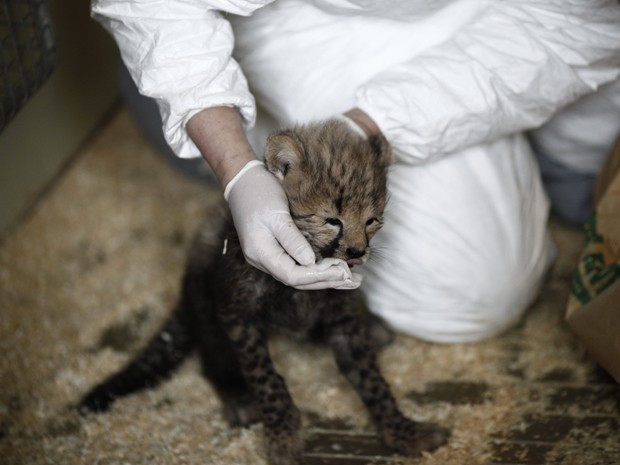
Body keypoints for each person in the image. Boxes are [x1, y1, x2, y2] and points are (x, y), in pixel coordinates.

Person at [91, 0, 620, 343]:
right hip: (300, 16)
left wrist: (361, 130)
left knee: (582, 152)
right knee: (477, 294)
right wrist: (236, 166)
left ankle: (538, 151)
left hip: (500, 15)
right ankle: (215, 102)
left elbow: (584, 26)